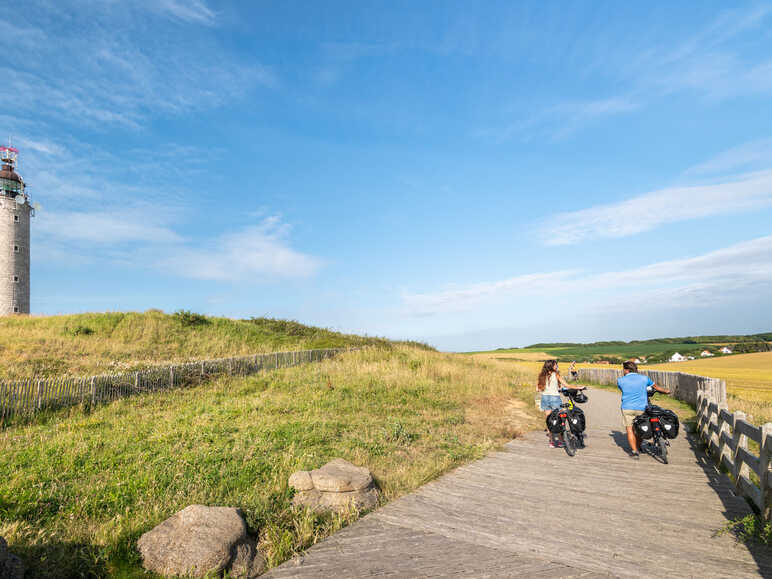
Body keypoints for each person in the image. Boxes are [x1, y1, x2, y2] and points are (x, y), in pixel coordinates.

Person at [617, 360, 670, 459]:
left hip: (627, 408)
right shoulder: (644, 378)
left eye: (623, 369)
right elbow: (656, 387)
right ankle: (638, 446)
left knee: (630, 430)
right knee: (641, 428)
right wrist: (666, 391)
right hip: (642, 408)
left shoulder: (620, 380)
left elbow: (623, 389)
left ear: (626, 370)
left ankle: (634, 451)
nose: (623, 371)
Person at [537, 360, 584, 447]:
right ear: (551, 366)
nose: (557, 366)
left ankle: (551, 442)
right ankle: (561, 439)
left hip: (545, 398)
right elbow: (567, 385)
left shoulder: (542, 375)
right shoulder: (556, 374)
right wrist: (578, 387)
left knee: (549, 421)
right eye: (556, 365)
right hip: (554, 398)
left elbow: (539, 388)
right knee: (559, 419)